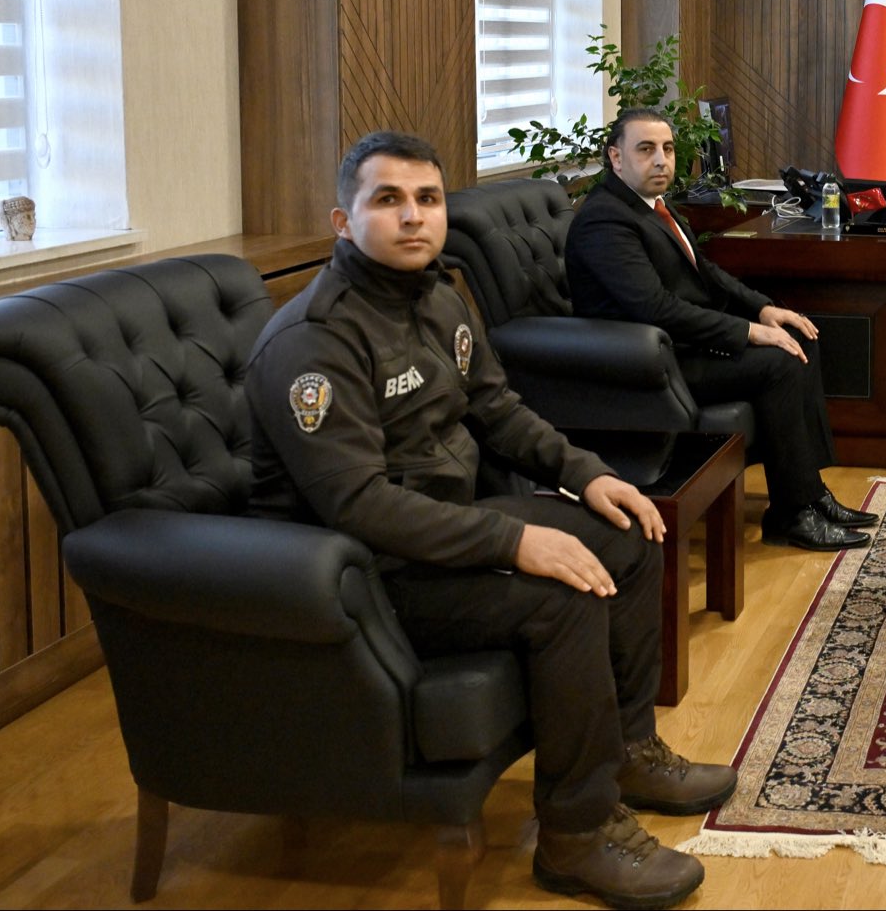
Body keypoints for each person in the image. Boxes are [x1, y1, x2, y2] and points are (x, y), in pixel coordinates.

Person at [246, 131, 733, 910]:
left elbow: (496, 408)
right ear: (343, 222)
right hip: (361, 578)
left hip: (447, 526)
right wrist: (517, 539)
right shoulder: (315, 342)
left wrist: (588, 475)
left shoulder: (437, 295)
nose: (413, 217)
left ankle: (628, 753)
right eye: (388, 200)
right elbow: (360, 505)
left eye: (427, 199)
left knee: (630, 533)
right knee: (564, 595)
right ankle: (576, 836)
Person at [565, 109, 876, 552]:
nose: (661, 160)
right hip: (647, 364)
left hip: (680, 346)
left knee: (798, 338)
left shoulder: (654, 205)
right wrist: (747, 332)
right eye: (646, 149)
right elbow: (655, 308)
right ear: (616, 157)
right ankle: (791, 514)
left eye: (668, 149)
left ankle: (809, 494)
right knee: (780, 363)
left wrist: (764, 310)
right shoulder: (605, 220)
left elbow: (705, 272)